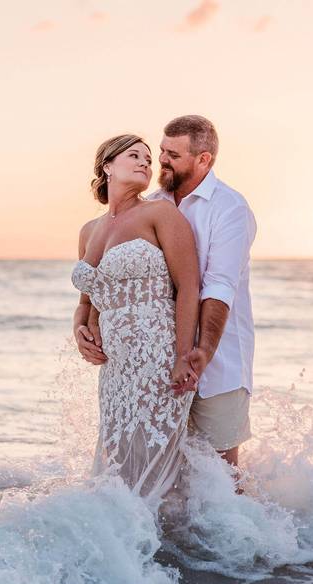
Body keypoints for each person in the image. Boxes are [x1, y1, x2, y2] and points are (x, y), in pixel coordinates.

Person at [77, 115, 257, 479]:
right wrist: (83, 326)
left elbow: (215, 287)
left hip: (215, 357)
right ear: (107, 167)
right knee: (153, 470)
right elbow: (100, 290)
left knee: (221, 474)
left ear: (203, 159)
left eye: (170, 154)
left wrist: (198, 351)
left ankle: (242, 536)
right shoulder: (151, 202)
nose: (157, 160)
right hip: (137, 367)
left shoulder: (229, 208)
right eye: (158, 151)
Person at [71, 134, 200, 506]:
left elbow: (188, 286)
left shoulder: (159, 214)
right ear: (107, 166)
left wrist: (182, 356)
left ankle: (156, 547)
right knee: (118, 454)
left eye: (148, 158)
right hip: (115, 368)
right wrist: (79, 330)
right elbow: (86, 300)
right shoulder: (88, 231)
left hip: (157, 356)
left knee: (150, 457)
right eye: (135, 155)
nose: (146, 162)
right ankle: (122, 539)